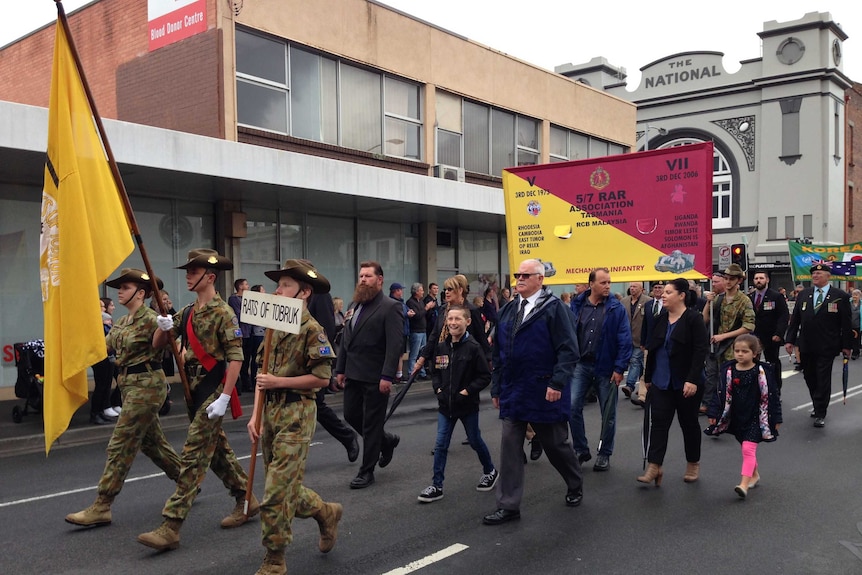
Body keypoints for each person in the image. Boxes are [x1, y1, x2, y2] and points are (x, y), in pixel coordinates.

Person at [138, 249, 256, 551]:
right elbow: (157, 345)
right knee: (217, 453)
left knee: (193, 455)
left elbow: (235, 359)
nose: (188, 276)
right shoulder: (188, 312)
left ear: (210, 276)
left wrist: (226, 397)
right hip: (194, 391)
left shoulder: (224, 313)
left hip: (213, 392)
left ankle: (171, 525)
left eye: (194, 272)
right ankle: (247, 498)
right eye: (188, 271)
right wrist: (163, 328)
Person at [248, 259, 343, 575]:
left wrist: (280, 383)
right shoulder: (275, 325)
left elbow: (322, 378)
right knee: (284, 487)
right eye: (279, 285)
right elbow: (263, 373)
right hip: (272, 412)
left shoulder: (312, 330)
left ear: (304, 292)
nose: (278, 291)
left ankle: (274, 559)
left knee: (275, 492)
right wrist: (255, 415)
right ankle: (325, 512)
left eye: (285, 285)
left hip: (298, 412)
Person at [66, 269, 181, 527]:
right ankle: (188, 483)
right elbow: (102, 347)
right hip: (130, 386)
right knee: (154, 445)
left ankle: (102, 504)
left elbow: (159, 343)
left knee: (121, 443)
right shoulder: (121, 322)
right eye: (119, 287)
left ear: (140, 293)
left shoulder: (153, 318)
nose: (119, 291)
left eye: (125, 287)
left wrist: (166, 328)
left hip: (147, 386)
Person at [482, 259, 582, 525]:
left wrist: (557, 383)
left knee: (555, 445)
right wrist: (496, 386)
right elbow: (499, 352)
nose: (520, 279)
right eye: (518, 275)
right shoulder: (508, 310)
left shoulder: (555, 309)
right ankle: (508, 505)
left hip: (544, 389)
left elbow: (569, 350)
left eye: (526, 275)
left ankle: (574, 482)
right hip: (514, 390)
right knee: (510, 448)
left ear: (540, 279)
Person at [417, 305, 497, 503]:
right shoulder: (442, 346)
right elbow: (435, 371)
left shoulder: (474, 348)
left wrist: (467, 391)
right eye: (450, 319)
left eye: (457, 319)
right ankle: (437, 485)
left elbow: (484, 376)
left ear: (467, 322)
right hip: (446, 406)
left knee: (475, 440)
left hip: (467, 406)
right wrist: (438, 389)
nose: (453, 323)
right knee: (441, 444)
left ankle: (490, 471)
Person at [335, 261, 404, 489]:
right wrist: (340, 369)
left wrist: (388, 375)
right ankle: (387, 440)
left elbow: (395, 345)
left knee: (372, 423)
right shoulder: (356, 304)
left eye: (368, 276)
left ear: (380, 279)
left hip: (376, 375)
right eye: (361, 276)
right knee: (351, 415)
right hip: (354, 372)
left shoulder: (390, 306)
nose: (363, 279)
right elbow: (347, 339)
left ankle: (367, 471)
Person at [638, 278, 709, 486]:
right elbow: (653, 348)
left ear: (681, 296)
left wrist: (692, 380)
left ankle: (693, 463)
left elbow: (699, 351)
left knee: (689, 424)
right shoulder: (661, 319)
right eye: (663, 292)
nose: (663, 295)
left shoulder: (693, 319)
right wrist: (648, 377)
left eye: (668, 292)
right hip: (661, 382)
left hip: (685, 383)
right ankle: (654, 466)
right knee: (658, 424)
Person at [569, 267, 633, 471]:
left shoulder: (616, 308)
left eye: (609, 282)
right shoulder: (577, 305)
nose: (607, 286)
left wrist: (619, 368)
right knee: (571, 407)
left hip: (606, 368)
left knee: (608, 414)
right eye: (603, 282)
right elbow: (568, 333)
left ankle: (604, 453)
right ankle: (581, 449)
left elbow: (625, 340)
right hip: (581, 365)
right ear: (591, 284)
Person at [705, 335, 779, 498]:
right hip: (737, 416)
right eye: (737, 351)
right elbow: (719, 393)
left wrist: (777, 418)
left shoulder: (762, 371)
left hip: (756, 416)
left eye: (744, 351)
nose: (740, 354)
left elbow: (772, 396)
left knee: (748, 448)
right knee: (745, 447)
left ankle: (743, 484)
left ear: (754, 353)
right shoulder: (728, 370)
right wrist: (713, 412)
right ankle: (755, 474)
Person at [303, 268, 361, 464]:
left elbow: (326, 331)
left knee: (317, 405)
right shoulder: (286, 297)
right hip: (293, 363)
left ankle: (347, 436)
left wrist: (330, 369)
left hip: (313, 360)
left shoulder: (320, 295)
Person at [784, 263, 853, 428]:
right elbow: (795, 320)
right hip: (806, 344)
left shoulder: (839, 296)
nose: (815, 276)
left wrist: (847, 346)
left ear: (828, 276)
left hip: (827, 345)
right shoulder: (804, 295)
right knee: (809, 376)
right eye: (813, 273)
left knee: (823, 378)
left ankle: (820, 411)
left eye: (819, 273)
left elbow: (846, 323)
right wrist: (789, 340)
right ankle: (817, 401)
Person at [702, 265, 753, 414]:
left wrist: (724, 336)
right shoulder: (718, 299)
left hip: (733, 346)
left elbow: (749, 326)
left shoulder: (744, 301)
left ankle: (733, 407)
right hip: (715, 346)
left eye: (731, 279)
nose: (728, 282)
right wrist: (708, 303)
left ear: (739, 281)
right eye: (726, 278)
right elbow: (705, 319)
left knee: (731, 378)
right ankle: (710, 404)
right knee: (712, 376)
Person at [749, 271, 789, 391]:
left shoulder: (776, 296)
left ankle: (775, 389)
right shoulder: (749, 297)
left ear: (767, 280)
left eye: (761, 278)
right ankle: (756, 389)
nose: (758, 280)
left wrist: (779, 333)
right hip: (753, 336)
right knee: (752, 363)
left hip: (771, 336)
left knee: (773, 363)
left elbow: (783, 316)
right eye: (756, 278)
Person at [90, 299, 117, 425]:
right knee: (100, 385)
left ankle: (101, 411)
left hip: (108, 356)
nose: (104, 309)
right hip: (99, 357)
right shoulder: (95, 322)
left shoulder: (106, 320)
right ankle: (95, 413)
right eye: (101, 306)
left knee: (106, 384)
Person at [623, 282, 650, 399]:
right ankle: (642, 387)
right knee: (638, 363)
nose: (632, 289)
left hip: (640, 338)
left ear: (642, 289)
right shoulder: (624, 301)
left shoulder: (648, 301)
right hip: (626, 337)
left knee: (635, 360)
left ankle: (629, 385)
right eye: (631, 287)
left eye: (635, 287)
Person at [228, 278, 254, 393]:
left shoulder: (248, 298)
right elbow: (239, 314)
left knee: (246, 359)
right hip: (240, 333)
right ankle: (236, 385)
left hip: (248, 332)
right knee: (238, 359)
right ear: (240, 286)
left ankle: (245, 383)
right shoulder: (234, 299)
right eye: (245, 284)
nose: (248, 286)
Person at [406, 283, 428, 379]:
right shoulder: (410, 302)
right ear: (416, 292)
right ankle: (411, 373)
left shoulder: (421, 301)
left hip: (423, 330)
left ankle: (421, 372)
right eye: (421, 290)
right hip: (415, 331)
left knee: (422, 354)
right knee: (414, 354)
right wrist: (426, 308)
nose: (423, 292)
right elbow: (417, 315)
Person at [389, 282, 410, 382]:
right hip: (397, 332)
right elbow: (397, 315)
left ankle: (399, 375)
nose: (401, 292)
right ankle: (393, 375)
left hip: (404, 331)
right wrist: (407, 314)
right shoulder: (392, 303)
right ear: (395, 291)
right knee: (395, 354)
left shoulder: (401, 302)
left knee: (401, 354)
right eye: (400, 290)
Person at [249, 285, 266, 384]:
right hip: (257, 334)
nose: (264, 291)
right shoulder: (255, 304)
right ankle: (254, 379)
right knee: (257, 357)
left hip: (263, 333)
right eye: (262, 289)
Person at [850, 289, 861, 360]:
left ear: (860, 296)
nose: (854, 296)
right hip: (849, 324)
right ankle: (848, 352)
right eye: (853, 294)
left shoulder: (861, 304)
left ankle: (856, 352)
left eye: (856, 295)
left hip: (859, 324)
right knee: (849, 339)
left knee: (857, 339)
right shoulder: (848, 303)